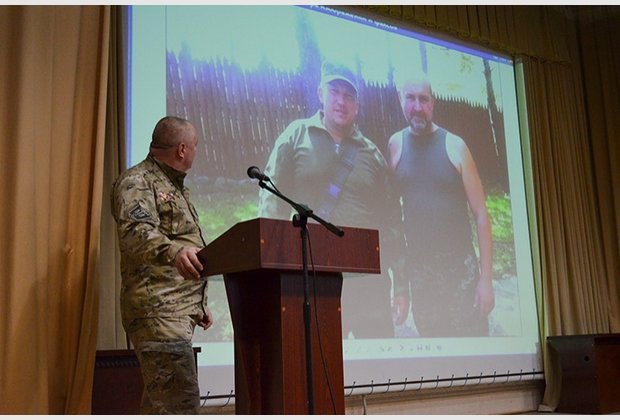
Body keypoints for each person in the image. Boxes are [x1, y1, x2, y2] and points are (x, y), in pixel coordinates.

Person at [258, 60, 404, 339]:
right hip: (310, 274)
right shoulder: (295, 136)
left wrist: (401, 285)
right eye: (334, 92)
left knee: (375, 360)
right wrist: (272, 265)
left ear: (357, 105)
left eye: (349, 95)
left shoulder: (372, 154)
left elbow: (391, 222)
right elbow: (270, 199)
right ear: (320, 94)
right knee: (313, 356)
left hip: (367, 281)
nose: (341, 101)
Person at [111, 116, 213, 414]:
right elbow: (136, 232)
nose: (196, 151)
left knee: (163, 406)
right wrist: (174, 251)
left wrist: (198, 303)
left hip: (175, 312)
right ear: (182, 149)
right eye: (195, 145)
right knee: (179, 406)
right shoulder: (138, 181)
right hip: (158, 313)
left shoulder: (173, 185)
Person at [388, 73, 494, 337]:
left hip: (461, 273)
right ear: (400, 99)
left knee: (474, 351)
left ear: (432, 103)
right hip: (421, 275)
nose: (417, 106)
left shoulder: (455, 146)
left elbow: (481, 215)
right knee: (436, 352)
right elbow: (392, 220)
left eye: (423, 99)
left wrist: (486, 280)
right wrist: (402, 288)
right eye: (411, 98)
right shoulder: (395, 146)